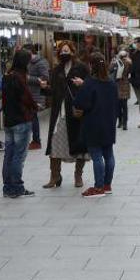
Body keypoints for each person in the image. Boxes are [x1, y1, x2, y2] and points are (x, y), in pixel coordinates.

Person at [43, 40, 90, 188]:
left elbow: (91, 85)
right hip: (59, 113)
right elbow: (53, 91)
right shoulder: (56, 70)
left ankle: (78, 175)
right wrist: (44, 88)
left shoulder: (81, 67)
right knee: (55, 143)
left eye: (66, 50)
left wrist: (83, 84)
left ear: (72, 51)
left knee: (79, 145)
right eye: (62, 51)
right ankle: (55, 176)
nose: (64, 53)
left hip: (76, 112)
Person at [73, 52, 119, 197]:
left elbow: (80, 103)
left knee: (97, 156)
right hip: (109, 122)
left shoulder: (90, 83)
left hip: (93, 124)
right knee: (109, 155)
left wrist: (81, 86)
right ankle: (107, 185)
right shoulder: (111, 82)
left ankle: (98, 187)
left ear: (91, 65)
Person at [1, 50, 38, 198]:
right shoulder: (19, 78)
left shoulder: (7, 76)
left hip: (9, 120)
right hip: (21, 120)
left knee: (8, 155)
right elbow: (26, 97)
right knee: (19, 155)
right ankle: (17, 187)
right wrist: (35, 106)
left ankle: (7, 187)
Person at [25, 44, 50, 150]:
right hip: (29, 93)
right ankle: (34, 140)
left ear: (30, 52)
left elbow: (45, 78)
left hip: (37, 95)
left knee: (33, 117)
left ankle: (36, 140)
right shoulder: (29, 63)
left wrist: (29, 78)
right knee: (32, 117)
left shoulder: (41, 63)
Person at [110, 50, 133, 130]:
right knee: (124, 105)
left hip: (117, 85)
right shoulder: (129, 62)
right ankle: (125, 123)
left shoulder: (116, 62)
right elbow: (131, 72)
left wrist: (112, 62)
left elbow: (110, 70)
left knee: (118, 105)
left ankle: (120, 121)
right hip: (125, 84)